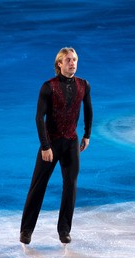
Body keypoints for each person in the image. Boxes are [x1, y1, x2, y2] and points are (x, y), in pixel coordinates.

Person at [20, 47, 93, 245]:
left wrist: (86, 134)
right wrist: (45, 146)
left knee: (71, 187)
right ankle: (26, 230)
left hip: (71, 142)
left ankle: (64, 230)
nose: (73, 63)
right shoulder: (48, 87)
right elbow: (39, 118)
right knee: (38, 186)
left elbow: (88, 110)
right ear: (59, 64)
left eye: (75, 59)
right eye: (68, 60)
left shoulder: (83, 85)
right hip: (50, 143)